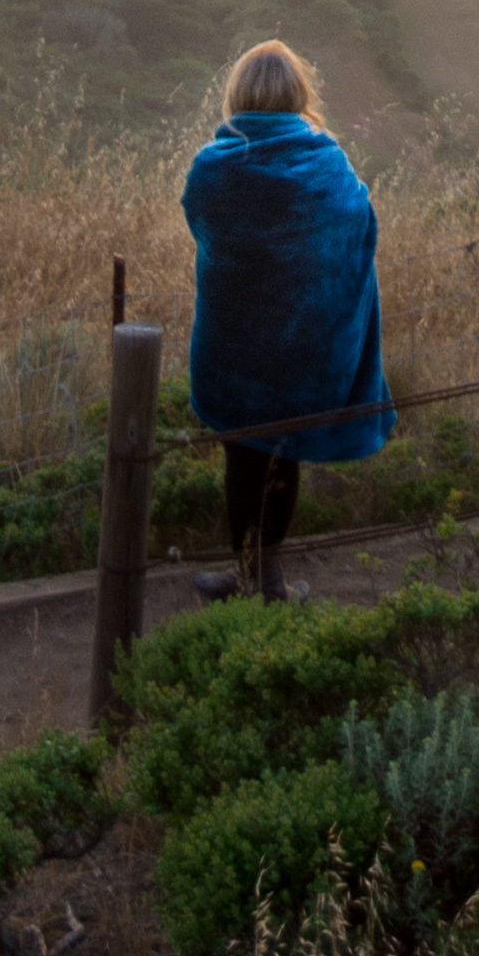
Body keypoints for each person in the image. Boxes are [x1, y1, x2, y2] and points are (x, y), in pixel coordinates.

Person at [183, 40, 395, 597]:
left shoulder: (213, 168)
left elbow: (202, 227)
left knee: (243, 462)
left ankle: (255, 579)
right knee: (282, 460)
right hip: (302, 348)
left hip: (233, 349)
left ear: (239, 93)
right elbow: (359, 225)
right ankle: (264, 579)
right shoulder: (327, 163)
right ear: (298, 93)